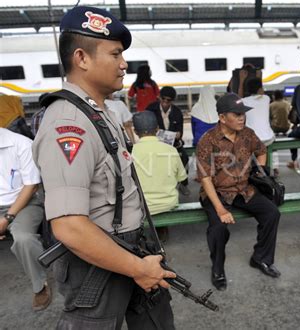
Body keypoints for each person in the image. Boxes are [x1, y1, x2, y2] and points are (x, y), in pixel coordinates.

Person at [32, 6, 176, 329]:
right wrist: (137, 268)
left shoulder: (101, 112)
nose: (124, 64)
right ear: (82, 58)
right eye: (115, 54)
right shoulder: (68, 123)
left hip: (130, 248)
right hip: (97, 264)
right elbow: (69, 226)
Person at [196, 93, 281, 291]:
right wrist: (220, 210)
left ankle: (261, 258)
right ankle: (218, 270)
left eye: (243, 113)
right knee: (218, 228)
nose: (242, 117)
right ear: (223, 118)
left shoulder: (248, 134)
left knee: (271, 213)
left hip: (244, 189)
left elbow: (261, 151)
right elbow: (205, 179)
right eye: (237, 114)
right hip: (216, 193)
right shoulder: (207, 141)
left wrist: (259, 174)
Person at [0, 128, 51, 311]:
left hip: (25, 202)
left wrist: (6, 219)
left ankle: (40, 286)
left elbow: (31, 186)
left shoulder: (21, 144)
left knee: (23, 238)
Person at [132, 111, 187, 241]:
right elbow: (182, 178)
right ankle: (161, 229)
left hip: (141, 205)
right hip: (168, 203)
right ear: (157, 129)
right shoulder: (171, 150)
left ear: (135, 131)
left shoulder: (130, 152)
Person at [146, 86, 190, 196]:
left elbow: (179, 134)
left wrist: (161, 133)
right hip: (155, 144)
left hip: (173, 145)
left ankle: (183, 184)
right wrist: (169, 135)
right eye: (163, 99)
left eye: (168, 100)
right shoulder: (151, 109)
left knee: (184, 158)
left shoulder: (177, 112)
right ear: (159, 98)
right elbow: (147, 130)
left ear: (172, 101)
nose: (165, 102)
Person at [243, 77, 275, 146]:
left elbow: (237, 98)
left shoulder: (244, 101)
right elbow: (261, 94)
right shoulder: (266, 98)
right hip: (268, 138)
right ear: (260, 89)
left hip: (252, 140)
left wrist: (242, 79)